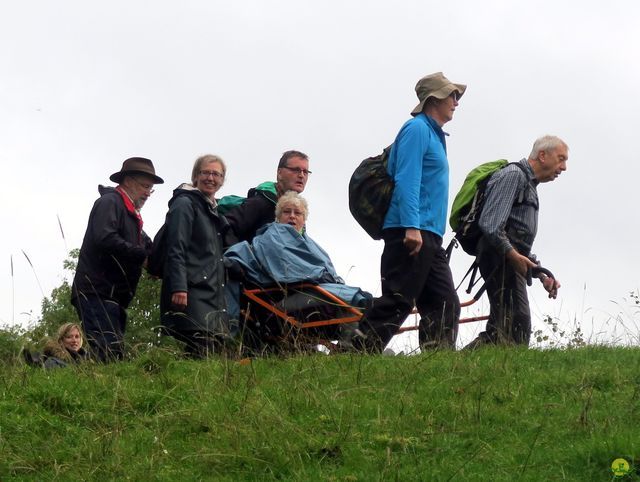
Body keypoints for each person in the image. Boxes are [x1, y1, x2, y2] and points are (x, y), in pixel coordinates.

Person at [357, 72, 464, 353]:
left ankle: (437, 361)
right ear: (434, 99)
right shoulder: (416, 129)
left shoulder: (434, 134)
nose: (456, 101)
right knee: (399, 299)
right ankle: (353, 352)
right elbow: (407, 179)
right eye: (452, 95)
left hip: (428, 232)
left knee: (444, 303)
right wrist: (411, 226)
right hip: (411, 230)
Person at [225, 191, 370, 350]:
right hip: (284, 300)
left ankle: (353, 347)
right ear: (278, 217)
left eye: (298, 213)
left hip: (314, 292)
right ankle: (350, 349)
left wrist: (327, 279)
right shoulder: (272, 236)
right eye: (287, 212)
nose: (292, 216)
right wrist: (321, 276)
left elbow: (328, 273)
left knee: (355, 301)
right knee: (353, 300)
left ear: (304, 219)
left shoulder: (312, 245)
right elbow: (288, 269)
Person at [464, 136, 567, 348]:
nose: (563, 167)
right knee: (516, 322)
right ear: (542, 155)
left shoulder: (529, 185)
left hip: (506, 256)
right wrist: (513, 256)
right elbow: (491, 224)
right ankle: (461, 368)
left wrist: (540, 273)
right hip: (498, 256)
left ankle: (461, 367)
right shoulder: (513, 175)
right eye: (560, 159)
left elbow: (516, 236)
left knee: (505, 324)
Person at [71, 157, 164, 362]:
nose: (148, 193)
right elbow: (105, 237)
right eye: (145, 186)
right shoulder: (110, 202)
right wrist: (141, 257)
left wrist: (157, 265)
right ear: (128, 181)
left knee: (111, 353)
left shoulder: (131, 215)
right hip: (96, 291)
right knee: (107, 353)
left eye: (151, 189)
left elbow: (146, 248)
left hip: (113, 296)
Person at [160, 155, 231, 358]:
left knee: (209, 353)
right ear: (195, 176)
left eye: (216, 174)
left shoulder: (213, 211)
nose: (211, 178)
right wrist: (179, 287)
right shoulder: (184, 203)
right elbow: (176, 247)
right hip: (192, 292)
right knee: (201, 348)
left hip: (211, 294)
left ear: (222, 180)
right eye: (205, 172)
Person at [224, 150, 310, 244]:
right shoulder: (261, 203)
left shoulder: (298, 216)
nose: (301, 175)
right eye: (296, 170)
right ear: (280, 172)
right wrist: (236, 256)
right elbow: (226, 226)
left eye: (305, 172)